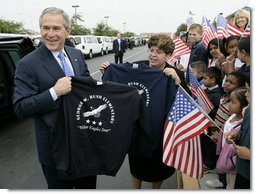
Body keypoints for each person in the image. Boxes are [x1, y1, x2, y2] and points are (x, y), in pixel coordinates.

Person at [13, 7, 96, 189]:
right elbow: (21, 107)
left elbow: (87, 86)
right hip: (54, 150)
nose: (50, 34)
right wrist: (54, 92)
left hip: (83, 143)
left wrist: (104, 80)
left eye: (56, 28)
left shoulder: (76, 55)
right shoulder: (27, 64)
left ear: (68, 31)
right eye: (45, 28)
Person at [100, 33, 187, 189]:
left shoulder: (174, 73)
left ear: (168, 55)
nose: (153, 55)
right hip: (136, 128)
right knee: (136, 164)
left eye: (158, 52)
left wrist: (177, 81)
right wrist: (107, 72)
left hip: (159, 129)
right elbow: (119, 87)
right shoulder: (137, 67)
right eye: (151, 50)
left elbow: (186, 101)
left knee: (158, 167)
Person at [205, 71, 246, 188]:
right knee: (221, 164)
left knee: (229, 175)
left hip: (230, 156)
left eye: (231, 83)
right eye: (226, 80)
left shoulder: (240, 122)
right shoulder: (225, 100)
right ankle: (221, 181)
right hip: (221, 145)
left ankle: (226, 186)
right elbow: (224, 125)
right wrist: (219, 136)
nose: (227, 84)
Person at [215, 87, 248, 189]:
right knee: (227, 180)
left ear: (244, 107)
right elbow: (224, 132)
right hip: (224, 155)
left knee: (232, 183)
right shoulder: (232, 116)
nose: (229, 105)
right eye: (229, 101)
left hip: (233, 162)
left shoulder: (242, 123)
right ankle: (223, 184)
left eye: (233, 102)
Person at [225, 76, 250, 189]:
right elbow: (244, 131)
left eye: (249, 91)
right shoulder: (249, 111)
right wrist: (236, 136)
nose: (246, 94)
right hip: (242, 170)